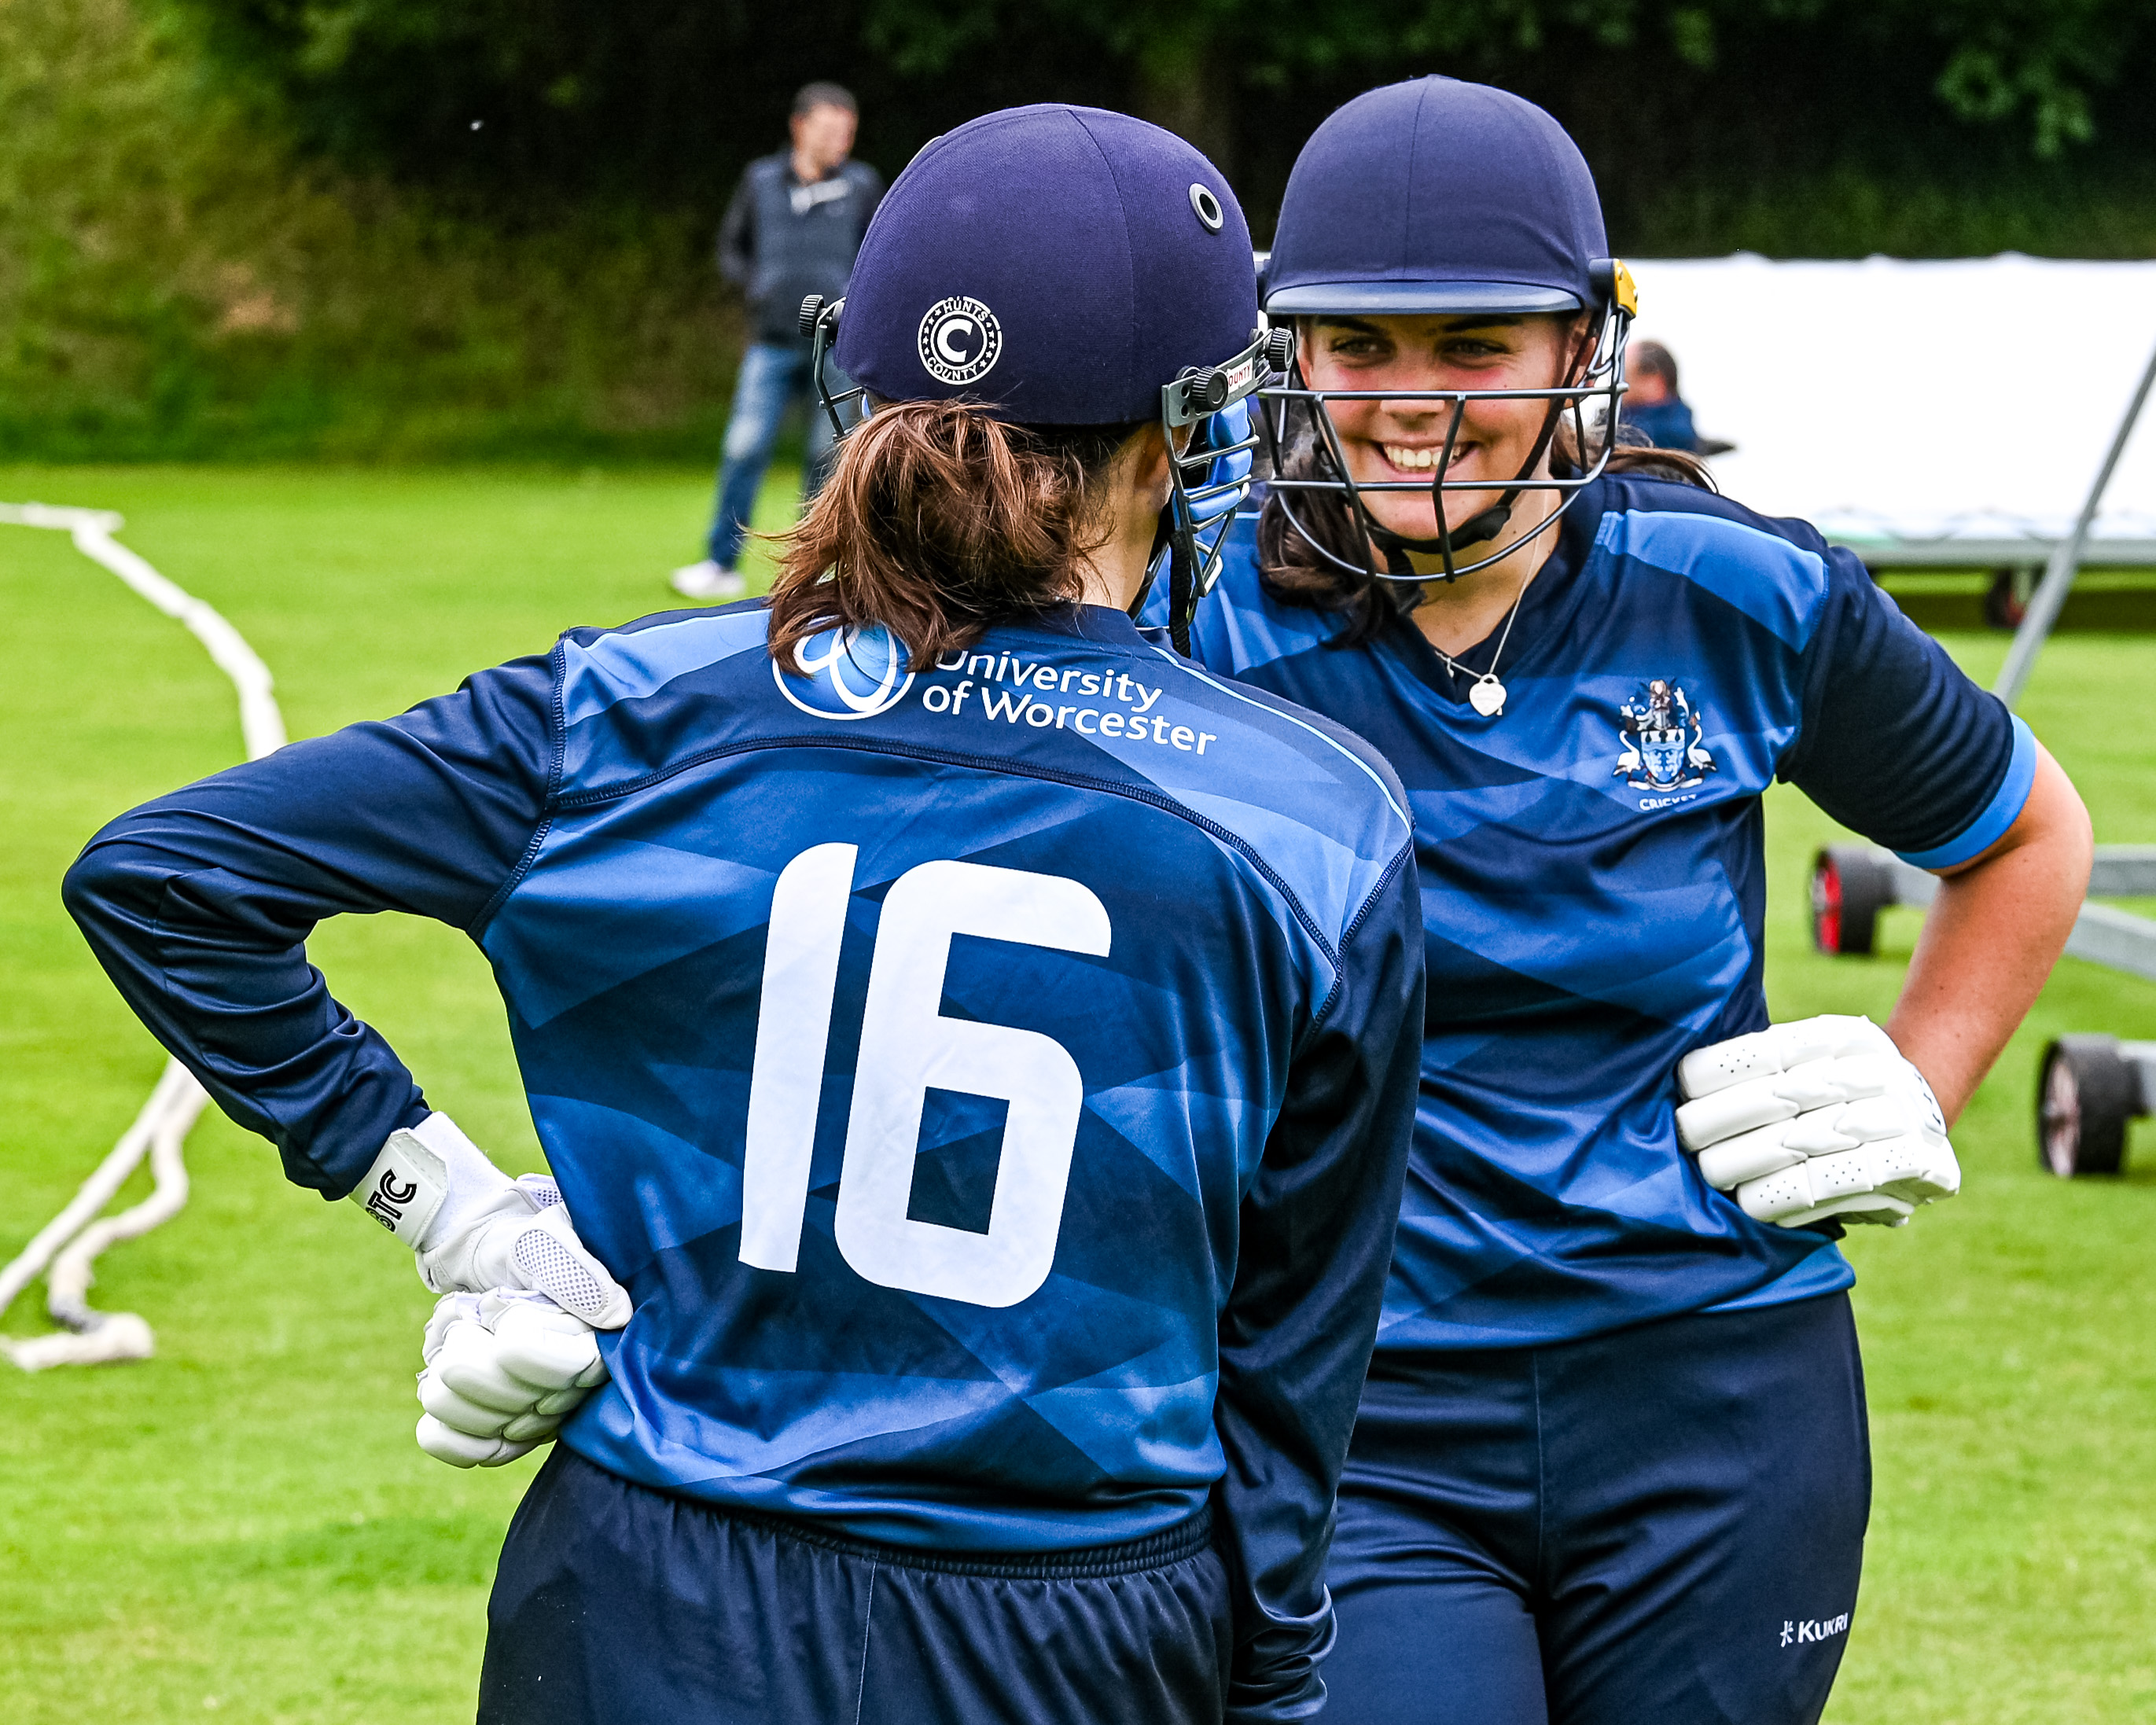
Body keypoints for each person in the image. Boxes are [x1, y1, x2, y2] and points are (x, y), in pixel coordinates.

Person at [64, 105, 1426, 1725]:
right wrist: (1267, 1679)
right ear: (1176, 431)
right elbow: (1290, 1370)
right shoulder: (1310, 818)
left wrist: (446, 1206)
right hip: (1067, 1609)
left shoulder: (624, 711)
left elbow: (164, 877)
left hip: (647, 1583)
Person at [1161, 77, 2092, 1725]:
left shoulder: (1735, 586)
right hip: (1356, 1410)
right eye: (1360, 346)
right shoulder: (1193, 610)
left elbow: (2025, 834)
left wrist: (1921, 1076)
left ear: (1587, 342)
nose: (1409, 402)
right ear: (1285, 350)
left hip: (1724, 1401)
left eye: (1473, 345)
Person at [671, 82, 883, 602]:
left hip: (836, 345)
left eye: (849, 132)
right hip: (770, 340)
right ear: (801, 126)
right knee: (743, 448)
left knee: (827, 454)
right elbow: (732, 247)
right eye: (832, 130)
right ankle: (720, 563)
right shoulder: (762, 181)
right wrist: (757, 288)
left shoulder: (860, 185)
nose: (842, 141)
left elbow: (879, 252)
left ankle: (808, 569)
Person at [1624, 337, 1732, 455]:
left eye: (1623, 372)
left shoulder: (1663, 438)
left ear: (1654, 380)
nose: (1614, 379)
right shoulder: (1617, 424)